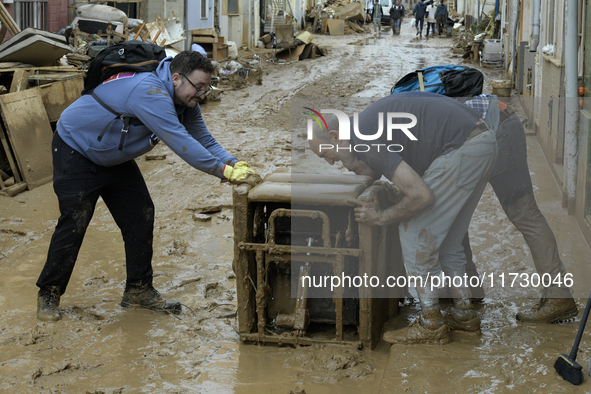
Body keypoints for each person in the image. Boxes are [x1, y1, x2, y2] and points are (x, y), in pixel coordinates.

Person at [36, 51, 262, 322]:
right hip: (76, 149)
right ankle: (48, 293)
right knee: (75, 221)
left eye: (207, 87)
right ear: (176, 78)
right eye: (199, 87)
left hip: (114, 157)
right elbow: (180, 142)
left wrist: (234, 163)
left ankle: (138, 290)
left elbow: (204, 139)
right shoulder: (150, 92)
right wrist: (222, 171)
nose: (202, 94)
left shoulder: (185, 103)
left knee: (141, 214)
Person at [308, 93, 498, 344]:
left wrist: (380, 216)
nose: (331, 162)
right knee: (451, 241)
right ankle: (464, 315)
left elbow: (421, 196)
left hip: (463, 146)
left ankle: (431, 324)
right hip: (482, 141)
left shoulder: (363, 139)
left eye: (326, 155)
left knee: (413, 231)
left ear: (334, 136)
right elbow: (402, 174)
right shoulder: (365, 127)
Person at [461, 94, 578, 323]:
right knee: (454, 210)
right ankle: (469, 290)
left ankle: (559, 296)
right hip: (488, 124)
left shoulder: (406, 132)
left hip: (498, 126)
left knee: (524, 212)